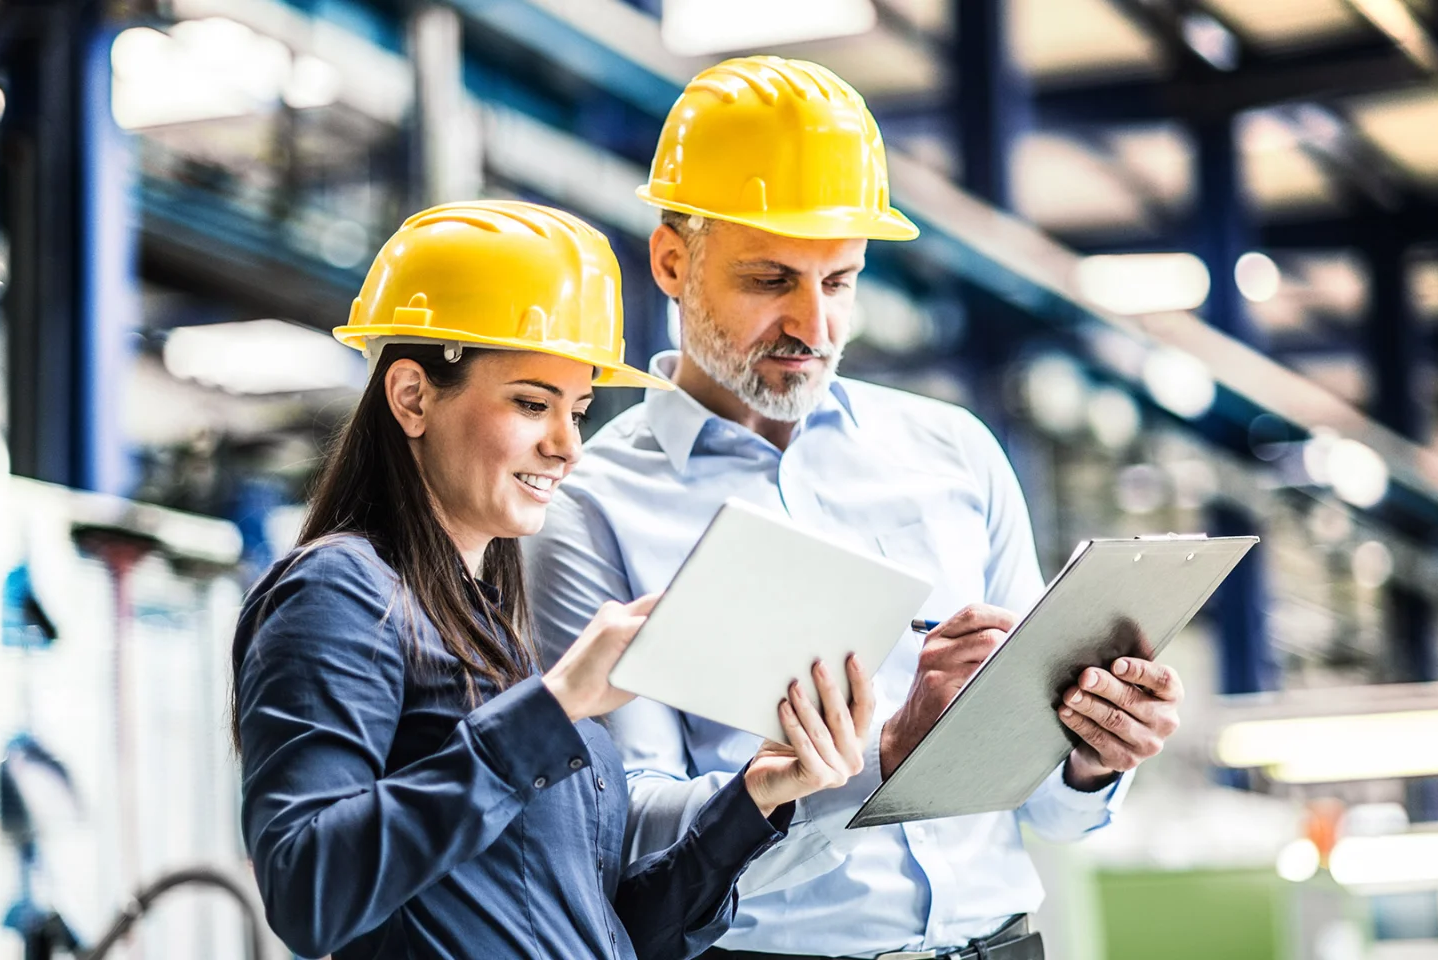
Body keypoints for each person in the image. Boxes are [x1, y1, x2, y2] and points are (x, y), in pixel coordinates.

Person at [525, 57, 1185, 960]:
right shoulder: (588, 511)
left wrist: (1091, 752)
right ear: (674, 260)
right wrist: (882, 753)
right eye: (771, 281)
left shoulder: (955, 456)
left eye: (839, 282)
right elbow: (629, 836)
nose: (815, 326)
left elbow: (1053, 812)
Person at [231, 200, 875, 960]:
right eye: (532, 403)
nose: (568, 445)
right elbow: (308, 889)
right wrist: (558, 702)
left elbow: (601, 930)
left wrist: (755, 796)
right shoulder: (340, 594)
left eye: (579, 408)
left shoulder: (493, 636)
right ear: (412, 397)